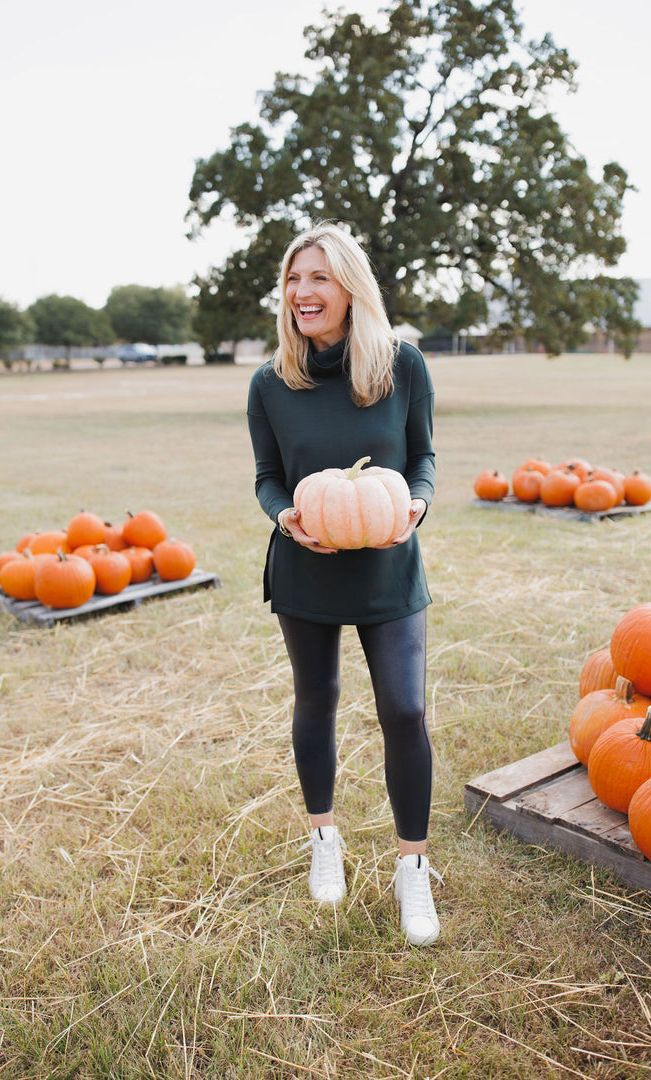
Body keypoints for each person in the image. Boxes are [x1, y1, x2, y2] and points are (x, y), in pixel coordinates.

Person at [246, 222, 441, 947]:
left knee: (403, 708)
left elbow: (422, 457)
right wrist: (285, 514)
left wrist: (417, 505)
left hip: (390, 566)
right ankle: (324, 840)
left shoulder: (403, 366)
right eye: (295, 280)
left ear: (350, 288)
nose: (303, 293)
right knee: (317, 699)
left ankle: (411, 868)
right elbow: (268, 476)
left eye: (318, 278)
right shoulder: (271, 383)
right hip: (305, 565)